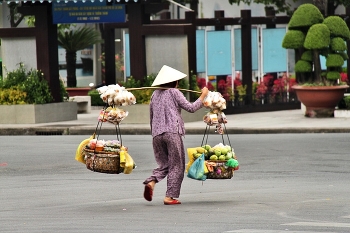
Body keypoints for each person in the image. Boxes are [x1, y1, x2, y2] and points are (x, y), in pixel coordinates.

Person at [143, 65, 209, 205]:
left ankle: (151, 182)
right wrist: (203, 96)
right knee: (177, 165)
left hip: (157, 134)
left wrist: (154, 132)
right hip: (172, 132)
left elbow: (151, 116)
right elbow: (191, 108)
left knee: (164, 164)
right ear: (174, 82)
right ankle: (170, 196)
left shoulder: (155, 94)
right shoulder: (174, 92)